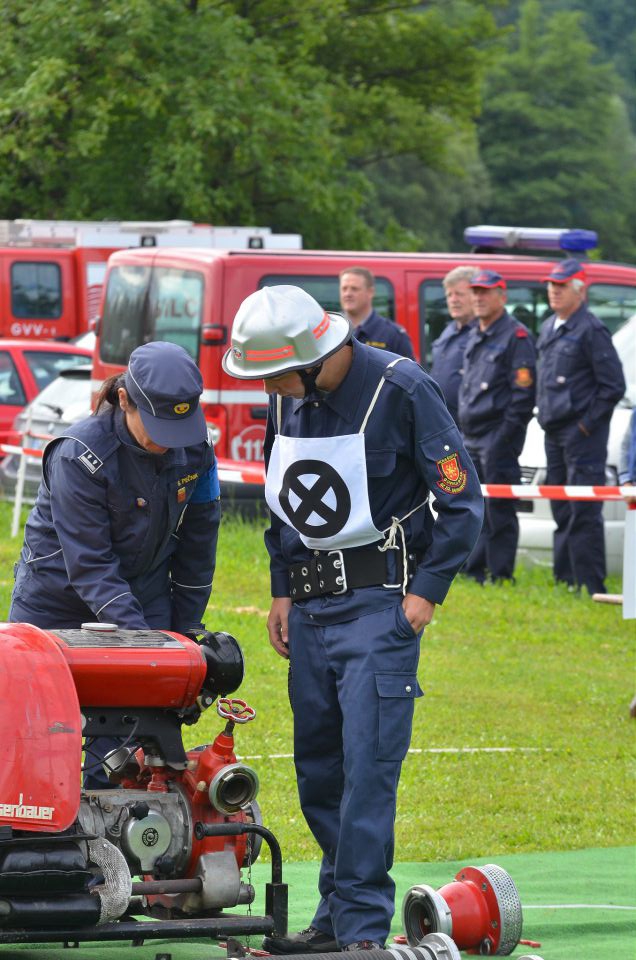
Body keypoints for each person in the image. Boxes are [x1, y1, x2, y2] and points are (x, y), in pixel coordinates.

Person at [222, 285, 483, 953]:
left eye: (275, 373)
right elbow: (285, 498)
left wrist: (424, 594)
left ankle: (362, 933)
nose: (270, 389)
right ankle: (335, 919)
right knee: (319, 768)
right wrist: (282, 587)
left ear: (314, 357)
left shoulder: (404, 389)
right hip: (309, 609)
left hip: (380, 608)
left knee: (368, 768)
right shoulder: (288, 393)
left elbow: (461, 500)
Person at [9, 340, 221, 787]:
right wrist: (147, 649)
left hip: (144, 592)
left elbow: (199, 546)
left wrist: (184, 640)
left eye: (179, 429)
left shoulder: (197, 449)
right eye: (159, 427)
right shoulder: (79, 455)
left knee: (138, 745)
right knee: (39, 740)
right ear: (124, 400)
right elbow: (90, 565)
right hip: (56, 601)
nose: (170, 444)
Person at [536, 259, 626, 594]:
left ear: (579, 290)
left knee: (584, 510)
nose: (554, 292)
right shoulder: (550, 327)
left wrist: (586, 426)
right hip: (554, 432)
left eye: (561, 286)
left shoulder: (591, 329)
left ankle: (591, 584)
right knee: (560, 506)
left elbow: (612, 386)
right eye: (551, 285)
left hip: (581, 435)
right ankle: (566, 580)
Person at [458, 269, 536, 583]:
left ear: (502, 297)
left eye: (485, 292)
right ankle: (476, 569)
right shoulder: (476, 332)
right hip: (472, 434)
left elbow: (523, 396)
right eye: (475, 292)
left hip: (497, 435)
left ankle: (501, 574)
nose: (478, 298)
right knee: (476, 506)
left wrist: (504, 438)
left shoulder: (516, 337)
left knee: (500, 508)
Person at [429, 266, 477, 424]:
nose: (453, 300)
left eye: (459, 294)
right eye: (449, 295)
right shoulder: (448, 331)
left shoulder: (483, 333)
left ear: (475, 295)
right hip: (443, 422)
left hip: (471, 427)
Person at [339, 266, 415, 358]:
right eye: (344, 289)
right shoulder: (331, 329)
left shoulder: (394, 335)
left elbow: (408, 371)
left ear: (370, 292)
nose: (348, 294)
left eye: (354, 289)